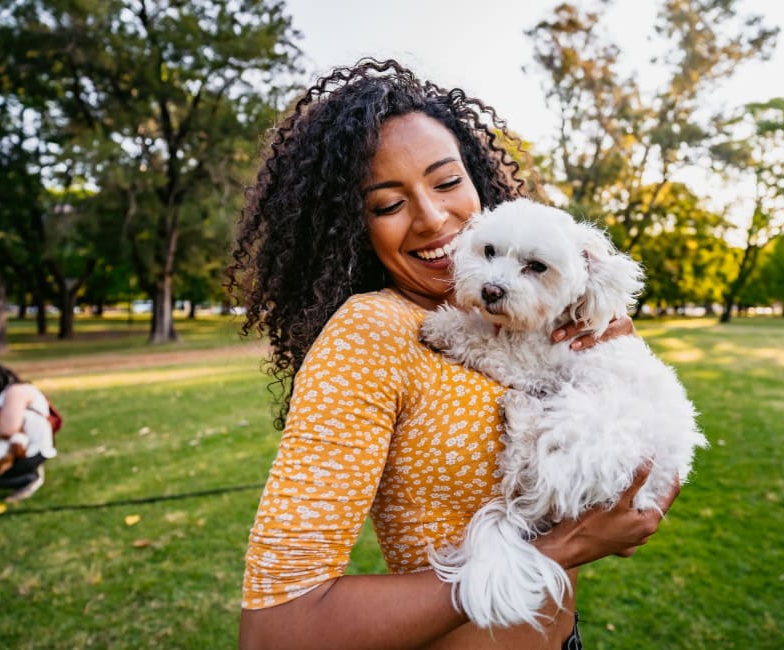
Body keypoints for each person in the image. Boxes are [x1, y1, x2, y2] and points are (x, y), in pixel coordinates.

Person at [228, 58, 680, 649]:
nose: (434, 218)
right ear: (349, 225)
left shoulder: (534, 316)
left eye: (446, 183)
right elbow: (277, 629)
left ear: (479, 182)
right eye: (388, 204)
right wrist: (563, 548)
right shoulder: (371, 332)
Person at [0, 361, 56, 502]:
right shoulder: (3, 395)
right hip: (14, 449)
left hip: (28, 452)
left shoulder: (16, 392)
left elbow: (7, 429)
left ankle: (27, 478)